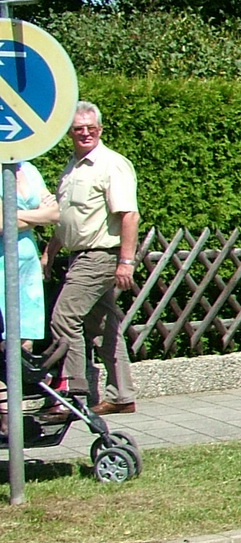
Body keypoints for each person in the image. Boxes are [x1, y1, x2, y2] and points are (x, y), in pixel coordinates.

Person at [42, 102, 140, 418]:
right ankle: (122, 395)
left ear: (100, 129)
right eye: (78, 128)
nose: (84, 133)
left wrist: (126, 261)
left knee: (63, 318)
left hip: (99, 256)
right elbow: (70, 218)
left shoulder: (112, 164)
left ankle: (72, 392)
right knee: (103, 327)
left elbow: (129, 215)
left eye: (90, 128)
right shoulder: (72, 166)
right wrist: (51, 250)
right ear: (69, 132)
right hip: (78, 255)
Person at [0, 161, 60, 348]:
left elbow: (56, 214)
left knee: (28, 331)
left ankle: (24, 376)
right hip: (3, 260)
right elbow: (2, 226)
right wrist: (39, 215)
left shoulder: (29, 169)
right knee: (5, 332)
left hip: (28, 261)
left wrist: (13, 215)